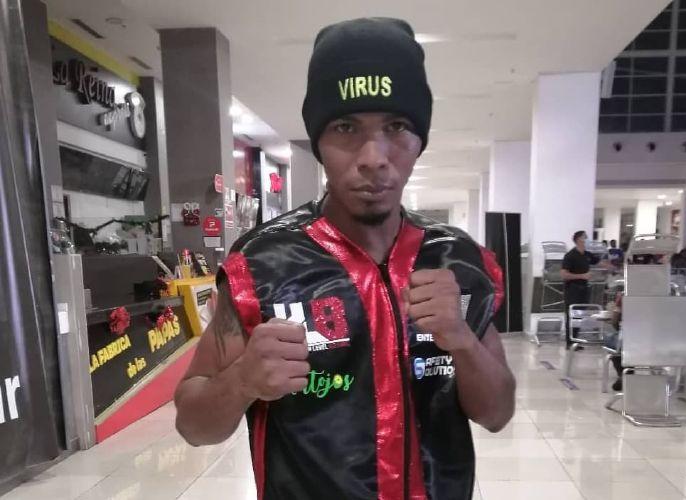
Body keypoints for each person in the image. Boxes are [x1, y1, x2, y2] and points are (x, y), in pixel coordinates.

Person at [173, 18, 516, 500]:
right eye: (346, 127)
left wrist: (461, 341)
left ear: (420, 139)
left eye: (397, 126)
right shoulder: (262, 265)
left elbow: (497, 414)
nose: (373, 156)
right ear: (318, 141)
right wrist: (243, 381)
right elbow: (193, 426)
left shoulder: (459, 262)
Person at [561, 230, 600, 349]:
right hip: (573, 290)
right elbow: (564, 274)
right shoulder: (570, 256)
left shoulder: (587, 255)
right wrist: (582, 276)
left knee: (579, 316)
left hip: (584, 289)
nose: (587, 239)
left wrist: (616, 267)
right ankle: (569, 343)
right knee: (572, 315)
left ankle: (575, 341)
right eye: (585, 237)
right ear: (578, 240)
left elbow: (600, 263)